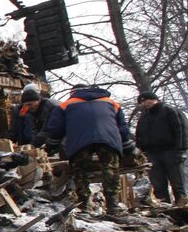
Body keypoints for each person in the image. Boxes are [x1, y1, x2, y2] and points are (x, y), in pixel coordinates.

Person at [40, 84, 134, 214]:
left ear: (73, 93)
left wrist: (50, 147)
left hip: (80, 141)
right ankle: (113, 205)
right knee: (110, 169)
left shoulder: (66, 105)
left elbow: (56, 129)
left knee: (80, 171)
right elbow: (123, 128)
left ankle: (84, 204)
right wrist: (129, 148)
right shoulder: (112, 103)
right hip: (108, 139)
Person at [134, 91, 187, 205]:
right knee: (158, 185)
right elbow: (139, 135)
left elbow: (181, 130)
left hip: (171, 151)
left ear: (153, 99)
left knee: (177, 183)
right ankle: (164, 207)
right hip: (152, 154)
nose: (143, 104)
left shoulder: (170, 111)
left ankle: (182, 205)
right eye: (141, 102)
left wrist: (180, 150)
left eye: (145, 100)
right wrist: (140, 150)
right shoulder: (144, 118)